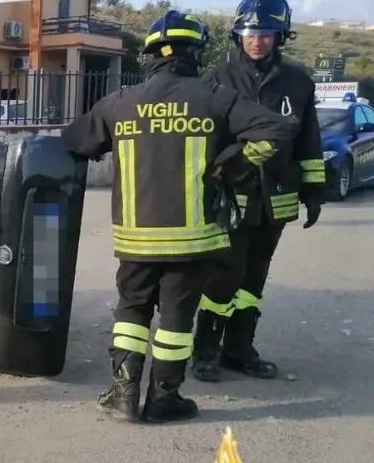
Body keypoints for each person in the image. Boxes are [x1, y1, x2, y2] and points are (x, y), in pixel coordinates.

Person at [63, 10, 292, 423]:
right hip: (193, 239)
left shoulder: (120, 102)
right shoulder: (216, 97)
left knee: (131, 311)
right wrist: (237, 164)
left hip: (135, 238)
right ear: (196, 53)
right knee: (175, 320)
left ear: (150, 54)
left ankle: (122, 394)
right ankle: (164, 398)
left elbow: (74, 142)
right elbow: (277, 130)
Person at [191, 0, 328, 383]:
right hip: (232, 193)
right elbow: (203, 139)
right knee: (224, 274)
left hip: (277, 197)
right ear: (238, 34)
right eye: (250, 33)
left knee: (253, 279)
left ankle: (238, 349)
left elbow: (309, 140)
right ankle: (204, 351)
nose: (257, 41)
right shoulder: (217, 77)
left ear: (280, 35)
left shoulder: (298, 81)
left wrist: (315, 189)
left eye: (266, 33)